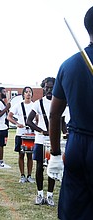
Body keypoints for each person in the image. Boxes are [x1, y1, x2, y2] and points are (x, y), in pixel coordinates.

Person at [47, 6, 93, 219]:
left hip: (76, 148)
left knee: (74, 211)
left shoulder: (69, 64)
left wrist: (56, 153)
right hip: (82, 140)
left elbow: (54, 114)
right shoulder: (72, 63)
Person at [27, 77, 67, 206]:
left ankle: (49, 195)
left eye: (52, 87)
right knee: (39, 168)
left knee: (53, 167)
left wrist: (65, 133)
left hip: (54, 141)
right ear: (43, 88)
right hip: (40, 141)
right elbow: (29, 121)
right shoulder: (38, 103)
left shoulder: (61, 102)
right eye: (47, 87)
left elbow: (62, 122)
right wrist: (42, 131)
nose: (49, 89)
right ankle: (40, 194)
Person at [7, 86, 35, 183]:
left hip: (31, 134)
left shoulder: (34, 105)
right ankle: (22, 175)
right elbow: (9, 116)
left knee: (30, 155)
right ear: (23, 94)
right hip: (20, 134)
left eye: (30, 92)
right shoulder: (18, 105)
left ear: (32, 94)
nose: (28, 93)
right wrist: (17, 124)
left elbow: (38, 118)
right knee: (21, 154)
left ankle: (30, 175)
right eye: (26, 92)